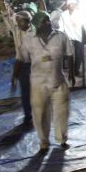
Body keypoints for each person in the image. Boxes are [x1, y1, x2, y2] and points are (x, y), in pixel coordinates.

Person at [20, 11, 74, 152]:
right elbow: (23, 59)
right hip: (38, 84)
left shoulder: (61, 36)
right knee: (40, 113)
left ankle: (62, 139)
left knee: (62, 112)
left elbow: (70, 55)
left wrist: (71, 74)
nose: (48, 23)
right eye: (44, 21)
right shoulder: (28, 39)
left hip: (58, 81)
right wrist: (17, 76)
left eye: (48, 20)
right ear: (37, 25)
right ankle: (44, 141)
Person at [10, 11, 34, 125]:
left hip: (34, 65)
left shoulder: (34, 34)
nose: (18, 24)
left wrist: (14, 76)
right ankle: (28, 115)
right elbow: (20, 57)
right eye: (17, 21)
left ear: (28, 21)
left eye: (20, 21)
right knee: (25, 92)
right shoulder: (17, 31)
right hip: (23, 66)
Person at [57, 0, 85, 77]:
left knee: (79, 54)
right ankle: (72, 71)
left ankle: (76, 70)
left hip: (78, 37)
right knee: (70, 55)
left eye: (74, 4)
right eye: (70, 4)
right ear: (67, 5)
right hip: (69, 37)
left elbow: (84, 24)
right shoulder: (63, 14)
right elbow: (61, 27)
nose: (72, 6)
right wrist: (60, 36)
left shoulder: (79, 13)